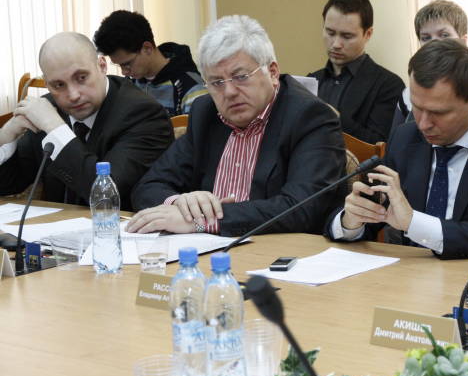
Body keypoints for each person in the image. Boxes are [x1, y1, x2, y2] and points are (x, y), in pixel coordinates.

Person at [326, 38, 468, 259]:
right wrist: (352, 221)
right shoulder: (405, 138)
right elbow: (378, 213)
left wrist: (415, 223)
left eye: (438, 112)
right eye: (417, 107)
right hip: (406, 276)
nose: (423, 124)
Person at [127, 15, 346, 237]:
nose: (229, 92)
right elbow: (147, 187)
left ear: (272, 72)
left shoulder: (310, 117)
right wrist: (181, 204)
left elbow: (300, 209)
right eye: (217, 82)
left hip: (279, 251)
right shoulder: (206, 113)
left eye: (240, 77)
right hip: (207, 250)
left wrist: (202, 221)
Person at [0, 32, 173, 210]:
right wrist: (6, 136)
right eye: (58, 85)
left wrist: (55, 129)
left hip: (120, 224)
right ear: (47, 84)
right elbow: (8, 185)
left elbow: (105, 195)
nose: (73, 95)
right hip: (58, 225)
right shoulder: (49, 108)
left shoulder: (143, 114)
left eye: (81, 78)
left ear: (102, 66)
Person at [308, 0, 404, 143]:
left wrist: (335, 118)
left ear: (368, 34)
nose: (336, 44)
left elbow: (380, 145)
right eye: (330, 33)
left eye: (347, 36)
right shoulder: (312, 80)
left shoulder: (388, 85)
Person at [392, 0, 468, 129]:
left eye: (444, 35)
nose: (434, 43)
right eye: (426, 38)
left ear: (463, 41)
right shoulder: (408, 96)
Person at [94, 10, 207, 116]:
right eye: (119, 65)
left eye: (127, 64)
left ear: (147, 48)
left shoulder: (190, 88)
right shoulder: (127, 87)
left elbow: (198, 129)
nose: (124, 72)